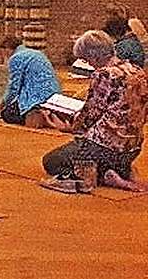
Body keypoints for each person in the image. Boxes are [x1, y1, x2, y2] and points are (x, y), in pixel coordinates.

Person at [42, 30, 148, 192]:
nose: (89, 64)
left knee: (52, 161)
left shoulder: (104, 74)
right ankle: (117, 172)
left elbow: (90, 115)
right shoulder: (137, 71)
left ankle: (86, 178)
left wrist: (70, 126)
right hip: (132, 148)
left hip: (102, 147)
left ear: (94, 56)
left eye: (86, 60)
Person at [0, 35, 65, 129]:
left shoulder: (16, 58)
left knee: (7, 114)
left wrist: (2, 104)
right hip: (54, 95)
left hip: (36, 98)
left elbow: (14, 87)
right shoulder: (37, 53)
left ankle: (39, 114)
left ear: (6, 49)